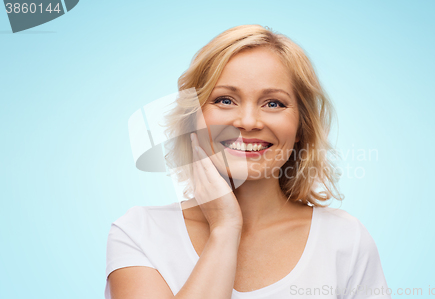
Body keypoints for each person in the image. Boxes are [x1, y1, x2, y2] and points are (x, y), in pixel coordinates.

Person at [105, 24, 391, 299]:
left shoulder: (345, 239)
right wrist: (225, 229)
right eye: (225, 100)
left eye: (274, 103)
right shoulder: (139, 232)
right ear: (192, 118)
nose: (248, 122)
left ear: (302, 126)